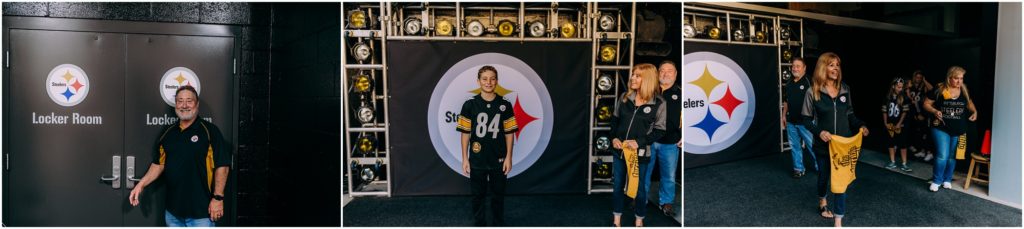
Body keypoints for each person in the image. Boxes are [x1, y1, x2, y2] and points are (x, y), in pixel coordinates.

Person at [129, 85, 232, 227]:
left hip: (202, 213)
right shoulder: (168, 133)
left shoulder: (210, 131)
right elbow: (159, 164)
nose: (184, 105)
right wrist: (141, 184)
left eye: (189, 101)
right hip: (173, 213)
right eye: (180, 101)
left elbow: (223, 166)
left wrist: (218, 198)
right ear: (176, 104)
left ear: (197, 104)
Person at [801, 52, 868, 227]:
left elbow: (850, 114)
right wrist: (819, 131)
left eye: (837, 65)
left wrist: (860, 125)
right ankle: (822, 201)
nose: (835, 68)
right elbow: (806, 120)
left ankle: (838, 219)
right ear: (823, 67)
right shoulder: (812, 91)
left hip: (842, 146)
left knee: (840, 181)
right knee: (823, 177)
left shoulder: (845, 88)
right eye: (831, 65)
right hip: (823, 145)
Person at [456, 65, 517, 226]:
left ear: (497, 81)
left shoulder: (505, 104)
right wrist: (465, 158)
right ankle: (480, 223)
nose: (488, 82)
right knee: (478, 195)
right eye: (484, 79)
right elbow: (465, 133)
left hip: (499, 157)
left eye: (492, 79)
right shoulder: (469, 104)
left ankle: (498, 223)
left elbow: (509, 133)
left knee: (498, 195)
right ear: (478, 81)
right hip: (477, 157)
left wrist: (509, 157)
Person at [611, 63, 667, 227]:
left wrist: (639, 142)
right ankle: (616, 220)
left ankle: (639, 219)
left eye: (637, 76)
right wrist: (614, 138)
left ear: (648, 79)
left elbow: (660, 130)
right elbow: (614, 120)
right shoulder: (624, 97)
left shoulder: (659, 102)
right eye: (633, 75)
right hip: (620, 153)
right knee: (617, 186)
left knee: (640, 189)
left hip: (641, 155)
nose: (632, 78)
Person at [922, 66, 977, 192]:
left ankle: (947, 179)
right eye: (956, 78)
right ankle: (937, 180)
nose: (959, 82)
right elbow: (926, 104)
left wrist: (975, 111)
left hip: (958, 129)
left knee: (952, 156)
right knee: (942, 155)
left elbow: (969, 103)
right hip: (941, 127)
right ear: (949, 78)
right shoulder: (940, 89)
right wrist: (935, 111)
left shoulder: (964, 89)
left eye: (961, 78)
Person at [640, 60, 681, 217]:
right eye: (662, 70)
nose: (665, 73)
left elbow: (691, 116)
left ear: (675, 74)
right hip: (648, 141)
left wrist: (685, 135)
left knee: (668, 176)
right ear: (657, 73)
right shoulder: (649, 91)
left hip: (670, 143)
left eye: (669, 71)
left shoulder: (682, 93)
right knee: (644, 172)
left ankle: (666, 202)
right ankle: (640, 200)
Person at [782, 57, 817, 178]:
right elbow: (786, 101)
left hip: (806, 122)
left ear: (804, 68)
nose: (795, 68)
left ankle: (821, 167)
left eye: (798, 66)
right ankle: (798, 168)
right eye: (793, 66)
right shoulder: (789, 83)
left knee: (813, 147)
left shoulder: (809, 81)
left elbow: (817, 100)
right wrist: (783, 116)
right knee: (795, 146)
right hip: (791, 121)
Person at [882, 77, 912, 172]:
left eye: (901, 87)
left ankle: (904, 163)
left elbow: (904, 112)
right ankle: (892, 161)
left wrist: (899, 123)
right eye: (898, 87)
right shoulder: (887, 97)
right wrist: (885, 122)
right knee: (890, 142)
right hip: (890, 123)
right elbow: (884, 111)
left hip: (901, 125)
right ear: (893, 86)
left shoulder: (904, 97)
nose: (900, 89)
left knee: (902, 143)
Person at [906, 70, 935, 161]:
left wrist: (924, 80)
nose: (918, 79)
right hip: (915, 112)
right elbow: (909, 98)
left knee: (927, 134)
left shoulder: (923, 86)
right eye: (917, 77)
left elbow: (932, 89)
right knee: (920, 133)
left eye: (920, 78)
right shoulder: (911, 86)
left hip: (925, 113)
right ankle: (922, 151)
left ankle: (930, 153)